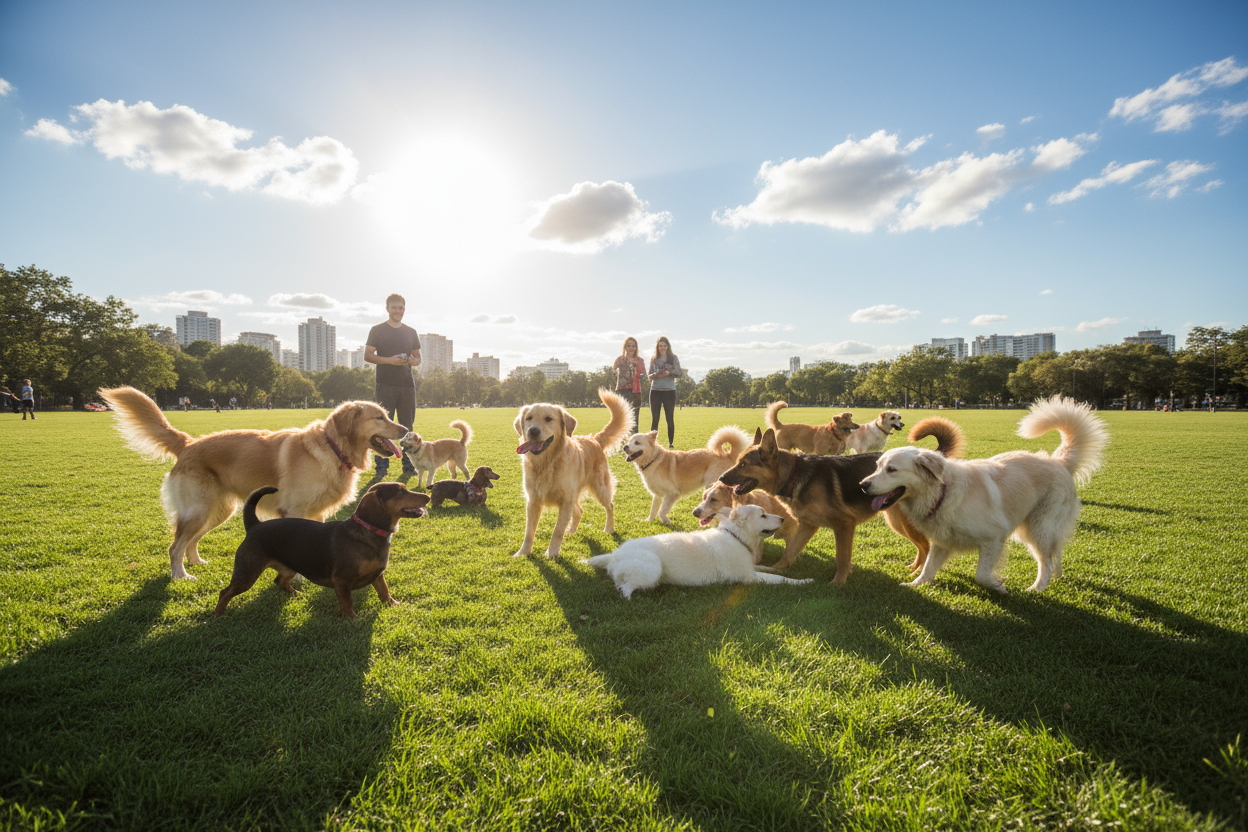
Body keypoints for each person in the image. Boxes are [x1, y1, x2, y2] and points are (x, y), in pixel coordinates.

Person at [365, 293, 422, 478]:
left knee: (408, 427)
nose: (398, 311)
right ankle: (381, 468)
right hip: (385, 384)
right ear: (387, 308)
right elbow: (368, 355)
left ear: (404, 309)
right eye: (394, 307)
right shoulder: (377, 330)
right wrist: (389, 360)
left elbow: (418, 358)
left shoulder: (411, 332)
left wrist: (413, 361)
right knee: (381, 426)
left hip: (407, 385)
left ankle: (408, 466)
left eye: (401, 308)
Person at [647, 336, 682, 448]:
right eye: (660, 346)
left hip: (669, 391)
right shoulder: (654, 358)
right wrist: (655, 375)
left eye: (664, 346)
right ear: (657, 347)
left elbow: (679, 373)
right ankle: (652, 443)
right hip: (655, 391)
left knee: (669, 418)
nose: (662, 348)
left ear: (668, 346)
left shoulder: (673, 358)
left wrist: (669, 373)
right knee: (655, 418)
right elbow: (649, 376)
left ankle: (671, 443)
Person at [613, 336, 646, 434]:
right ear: (625, 347)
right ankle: (622, 438)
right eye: (629, 346)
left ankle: (634, 439)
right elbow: (613, 370)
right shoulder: (620, 359)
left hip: (635, 391)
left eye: (633, 346)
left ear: (636, 347)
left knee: (635, 417)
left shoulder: (640, 360)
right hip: (622, 390)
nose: (631, 348)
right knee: (622, 416)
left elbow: (643, 375)